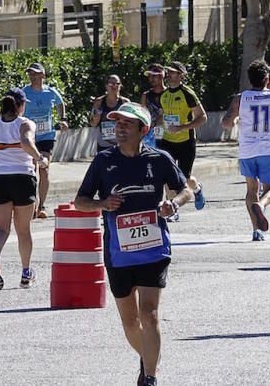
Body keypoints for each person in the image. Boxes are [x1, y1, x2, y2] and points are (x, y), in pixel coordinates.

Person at [74, 102, 192, 386]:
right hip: (119, 252)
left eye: (128, 124)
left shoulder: (159, 159)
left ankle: (150, 377)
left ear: (144, 130)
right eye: (118, 123)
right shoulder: (103, 161)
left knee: (149, 315)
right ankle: (148, 357)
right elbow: (80, 201)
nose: (120, 128)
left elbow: (186, 189)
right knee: (130, 323)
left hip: (153, 248)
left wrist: (172, 204)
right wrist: (103, 203)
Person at [0, 88, 46, 290]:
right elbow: (25, 141)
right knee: (23, 230)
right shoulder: (25, 123)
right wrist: (40, 158)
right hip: (22, 177)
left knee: (1, 229)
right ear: (20, 105)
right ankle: (25, 272)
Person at [221, 60, 270, 241]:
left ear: (250, 79)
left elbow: (226, 123)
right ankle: (261, 206)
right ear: (267, 79)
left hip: (247, 149)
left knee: (251, 189)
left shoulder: (241, 97)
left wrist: (236, 120)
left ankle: (256, 230)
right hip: (268, 148)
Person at [157, 61, 206, 212]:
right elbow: (161, 116)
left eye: (172, 72)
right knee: (167, 176)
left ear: (181, 75)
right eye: (168, 72)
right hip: (167, 141)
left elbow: (202, 117)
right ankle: (172, 208)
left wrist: (182, 127)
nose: (169, 75)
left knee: (183, 179)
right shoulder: (164, 95)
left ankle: (197, 189)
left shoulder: (187, 93)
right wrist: (154, 130)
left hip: (185, 142)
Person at [20, 63, 67, 219]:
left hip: (46, 135)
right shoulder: (24, 92)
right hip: (30, 136)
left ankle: (42, 205)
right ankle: (32, 204)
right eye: (30, 74)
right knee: (31, 169)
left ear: (43, 75)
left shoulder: (50, 91)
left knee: (44, 168)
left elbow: (60, 103)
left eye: (35, 74)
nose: (32, 76)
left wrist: (62, 119)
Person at [90, 74, 131, 153]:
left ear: (120, 86)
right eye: (111, 83)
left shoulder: (125, 102)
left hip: (122, 143)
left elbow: (131, 122)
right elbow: (92, 124)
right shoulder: (99, 102)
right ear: (106, 86)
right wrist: (96, 119)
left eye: (117, 83)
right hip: (104, 144)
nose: (114, 86)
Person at [139, 63, 168, 147]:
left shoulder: (169, 93)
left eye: (154, 76)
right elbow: (142, 116)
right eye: (150, 76)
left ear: (161, 76)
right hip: (151, 135)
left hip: (168, 134)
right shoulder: (146, 95)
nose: (151, 79)